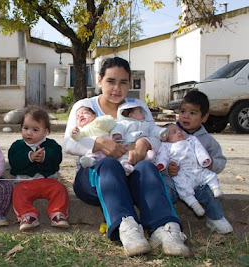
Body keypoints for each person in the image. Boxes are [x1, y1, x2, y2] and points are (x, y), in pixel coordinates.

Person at [64, 56, 190, 257]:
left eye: (123, 82)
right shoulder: (85, 106)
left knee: (147, 167)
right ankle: (127, 229)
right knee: (109, 165)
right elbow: (70, 142)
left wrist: (144, 143)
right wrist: (100, 143)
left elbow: (156, 135)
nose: (117, 88)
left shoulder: (137, 106)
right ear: (99, 81)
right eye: (110, 81)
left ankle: (164, 228)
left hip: (133, 176)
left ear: (130, 83)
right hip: (96, 179)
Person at [163, 91, 233, 234]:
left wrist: (212, 163)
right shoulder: (169, 133)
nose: (186, 116)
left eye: (193, 113)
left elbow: (221, 161)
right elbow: (158, 157)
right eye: (183, 111)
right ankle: (166, 220)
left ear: (204, 117)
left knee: (210, 193)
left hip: (198, 180)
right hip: (176, 181)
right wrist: (166, 169)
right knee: (165, 193)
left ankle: (215, 218)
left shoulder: (207, 141)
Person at [9, 107, 70, 231]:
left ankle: (57, 213)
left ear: (45, 132)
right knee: (18, 192)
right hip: (26, 183)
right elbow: (14, 162)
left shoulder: (52, 145)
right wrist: (29, 157)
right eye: (25, 128)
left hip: (48, 181)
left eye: (35, 129)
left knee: (60, 189)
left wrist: (44, 158)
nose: (29, 133)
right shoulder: (17, 146)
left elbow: (56, 159)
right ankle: (27, 215)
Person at [156, 123, 225, 217]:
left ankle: (215, 188)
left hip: (197, 170)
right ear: (166, 138)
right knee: (182, 188)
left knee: (209, 175)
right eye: (174, 132)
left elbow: (200, 151)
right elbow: (161, 158)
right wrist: (163, 166)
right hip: (182, 174)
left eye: (180, 130)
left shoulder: (191, 140)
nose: (179, 132)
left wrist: (205, 160)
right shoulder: (166, 146)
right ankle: (195, 205)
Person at [110, 102, 169, 174]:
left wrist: (161, 133)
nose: (143, 114)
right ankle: (125, 165)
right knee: (124, 156)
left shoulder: (146, 124)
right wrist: (117, 134)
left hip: (143, 148)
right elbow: (118, 128)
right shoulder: (123, 123)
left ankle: (148, 159)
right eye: (140, 112)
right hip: (127, 145)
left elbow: (153, 129)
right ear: (131, 115)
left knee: (150, 154)